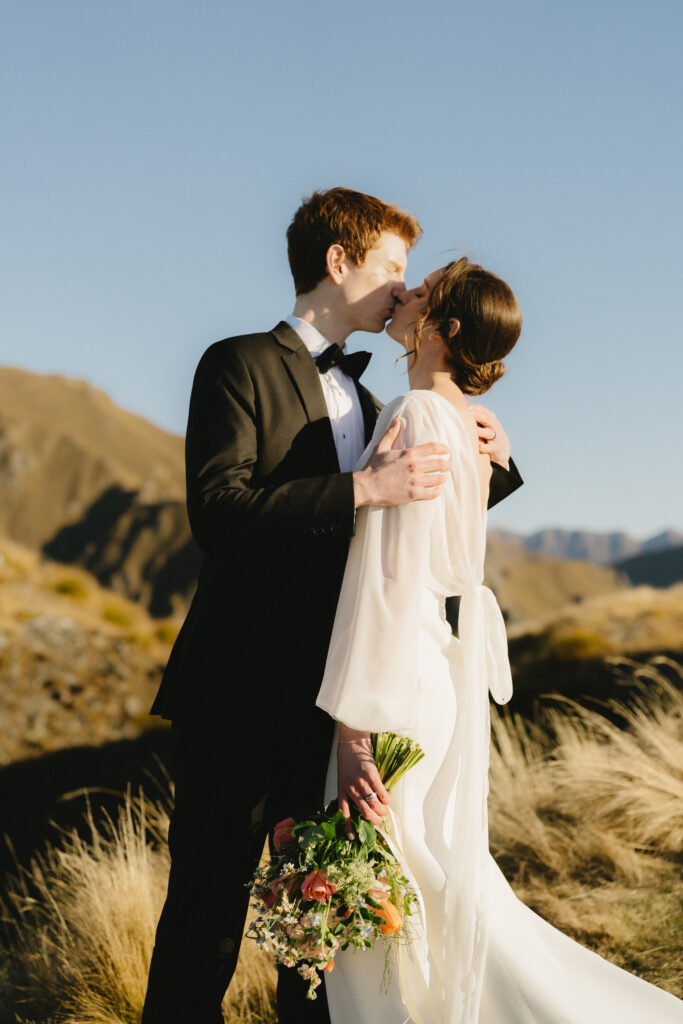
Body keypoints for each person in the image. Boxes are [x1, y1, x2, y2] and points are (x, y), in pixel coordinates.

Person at [141, 190, 524, 1024]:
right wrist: (361, 487)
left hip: (338, 701)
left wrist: (488, 454)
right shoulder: (235, 363)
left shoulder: (390, 406)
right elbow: (218, 512)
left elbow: (410, 542)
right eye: (390, 267)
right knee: (205, 914)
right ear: (338, 263)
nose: (401, 287)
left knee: (321, 932)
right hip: (237, 693)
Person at [316, 258, 683, 1022]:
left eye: (419, 294)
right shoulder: (471, 432)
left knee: (388, 887)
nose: (403, 294)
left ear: (441, 330)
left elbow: (385, 580)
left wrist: (352, 729)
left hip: (393, 680)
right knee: (429, 875)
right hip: (436, 677)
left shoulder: (413, 417)